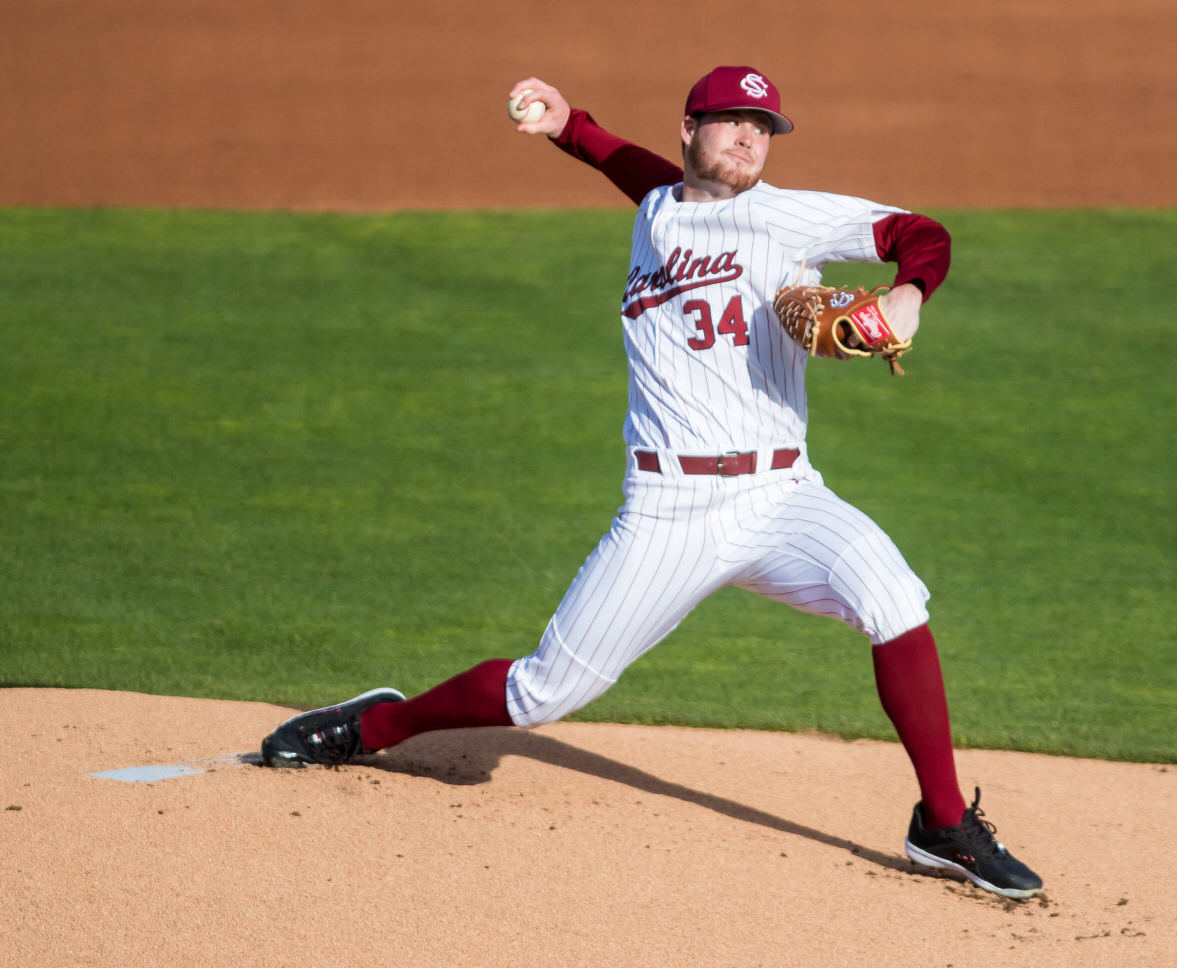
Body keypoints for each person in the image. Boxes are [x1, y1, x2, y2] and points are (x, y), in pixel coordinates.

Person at [261, 66, 1043, 899]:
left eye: (764, 127)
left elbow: (924, 232)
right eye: (732, 122)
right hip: (668, 511)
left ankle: (944, 824)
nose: (749, 138)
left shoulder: (785, 216)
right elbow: (638, 175)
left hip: (783, 497)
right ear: (690, 129)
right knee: (541, 694)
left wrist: (911, 298)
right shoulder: (659, 209)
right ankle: (374, 723)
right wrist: (572, 128)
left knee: (895, 600)